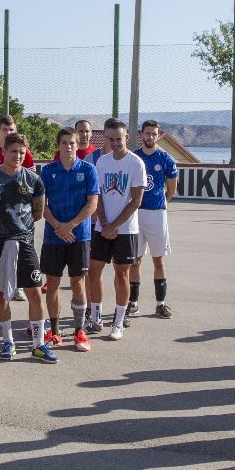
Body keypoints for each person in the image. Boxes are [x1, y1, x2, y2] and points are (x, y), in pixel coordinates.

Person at [0, 133, 53, 362]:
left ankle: (38, 344)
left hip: (24, 242)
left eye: (22, 152)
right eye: (13, 151)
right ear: (4, 151)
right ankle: (8, 341)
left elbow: (37, 212)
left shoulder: (33, 180)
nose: (17, 155)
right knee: (1, 293)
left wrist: (18, 227)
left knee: (34, 291)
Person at [85, 119, 147, 341]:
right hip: (102, 228)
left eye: (118, 139)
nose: (114, 143)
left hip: (126, 230)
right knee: (94, 271)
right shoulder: (102, 162)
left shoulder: (136, 163)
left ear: (127, 138)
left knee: (122, 273)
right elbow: (98, 195)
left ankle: (119, 321)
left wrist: (115, 226)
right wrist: (104, 223)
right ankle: (96, 317)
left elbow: (136, 200)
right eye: (110, 139)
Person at [40, 127, 99, 351]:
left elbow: (92, 204)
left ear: (77, 145)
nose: (68, 147)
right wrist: (58, 226)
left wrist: (70, 226)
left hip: (79, 236)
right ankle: (55, 332)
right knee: (53, 283)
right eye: (64, 143)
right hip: (53, 237)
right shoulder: (48, 171)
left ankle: (79, 332)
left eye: (72, 143)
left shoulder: (89, 170)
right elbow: (41, 205)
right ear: (58, 146)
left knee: (77, 283)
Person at [128, 119, 177, 319]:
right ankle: (133, 303)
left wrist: (160, 202)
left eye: (154, 134)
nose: (150, 137)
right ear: (141, 134)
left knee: (159, 259)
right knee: (135, 260)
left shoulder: (166, 159)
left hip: (157, 214)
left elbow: (171, 189)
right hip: (136, 213)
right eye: (147, 133)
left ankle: (160, 304)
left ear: (158, 136)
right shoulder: (134, 158)